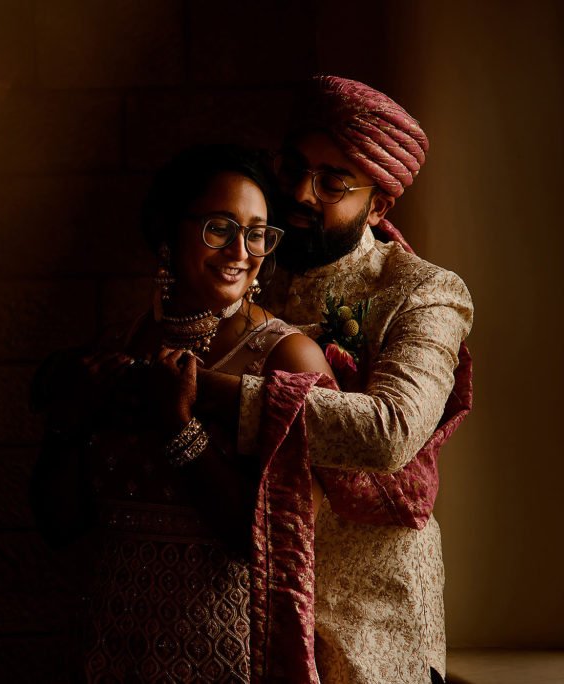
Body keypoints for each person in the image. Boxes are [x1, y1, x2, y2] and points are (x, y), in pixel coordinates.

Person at [203, 76, 474, 684]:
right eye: (294, 168)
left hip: (371, 615)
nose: (300, 193)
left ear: (378, 206)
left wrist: (210, 394)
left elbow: (389, 433)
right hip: (244, 592)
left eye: (332, 183)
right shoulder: (248, 263)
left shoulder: (423, 292)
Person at [30, 144, 334, 683]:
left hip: (224, 652)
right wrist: (67, 426)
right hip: (110, 644)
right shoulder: (120, 343)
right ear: (167, 232)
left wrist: (180, 430)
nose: (242, 250)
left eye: (258, 232)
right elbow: (60, 526)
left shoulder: (286, 360)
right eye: (220, 227)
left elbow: (275, 545)